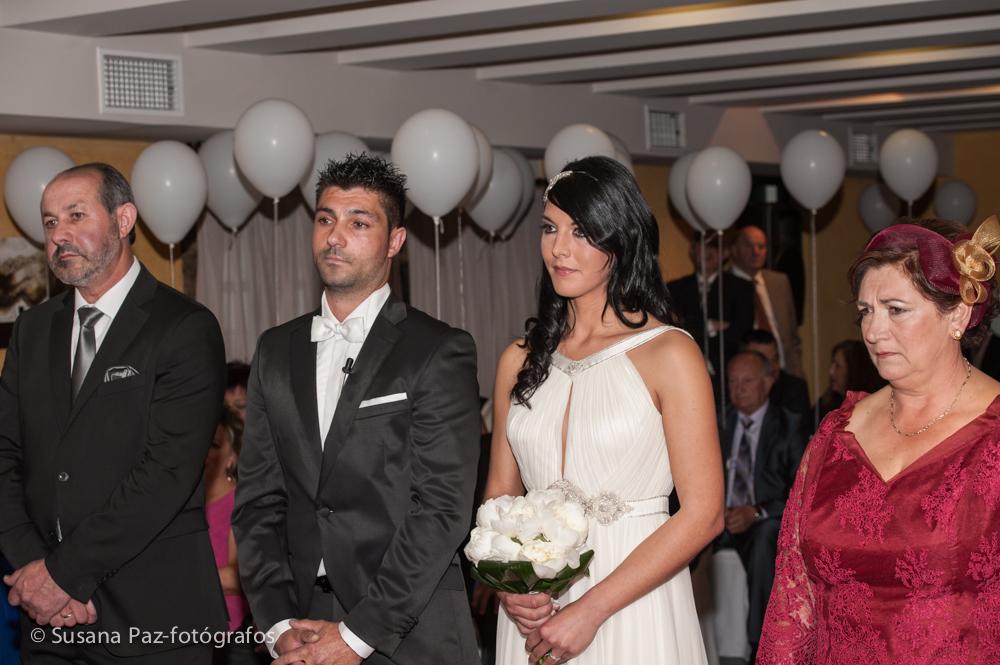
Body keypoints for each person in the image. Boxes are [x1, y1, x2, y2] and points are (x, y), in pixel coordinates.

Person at [232, 153, 481, 665]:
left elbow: (441, 509)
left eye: (358, 222)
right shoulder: (276, 350)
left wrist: (358, 634)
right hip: (298, 624)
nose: (334, 237)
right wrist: (277, 623)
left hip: (410, 627)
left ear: (394, 241)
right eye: (325, 219)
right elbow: (257, 502)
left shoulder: (437, 349)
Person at [487, 156, 724, 665]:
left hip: (634, 600)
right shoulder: (517, 361)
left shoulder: (670, 354)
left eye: (583, 232)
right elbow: (498, 501)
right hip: (536, 608)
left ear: (621, 240)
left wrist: (590, 609)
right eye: (550, 228)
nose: (560, 248)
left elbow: (704, 514)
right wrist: (509, 585)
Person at [0, 163, 227, 663]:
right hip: (49, 624)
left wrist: (62, 576)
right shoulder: (33, 330)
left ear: (124, 220)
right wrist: (35, 571)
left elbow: (165, 474)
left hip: (153, 617)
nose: (60, 235)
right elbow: (5, 456)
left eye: (76, 215)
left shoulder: (184, 327)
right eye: (50, 222)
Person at [758, 217, 1000, 663]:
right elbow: (793, 601)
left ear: (958, 315)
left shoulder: (993, 438)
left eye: (896, 309)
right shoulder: (836, 433)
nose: (873, 332)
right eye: (866, 311)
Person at [717, 351, 807, 663]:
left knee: (766, 537)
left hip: (762, 520)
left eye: (747, 381)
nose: (738, 389)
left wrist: (754, 511)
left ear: (767, 383)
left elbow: (801, 491)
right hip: (716, 520)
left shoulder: (789, 425)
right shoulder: (718, 422)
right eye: (732, 382)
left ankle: (760, 646)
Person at [204, 407, 258, 665]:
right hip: (189, 628)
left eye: (213, 445)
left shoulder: (239, 503)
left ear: (232, 458)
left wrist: (178, 575)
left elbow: (242, 575)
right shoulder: (184, 505)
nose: (203, 453)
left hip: (231, 635)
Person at [667, 232, 754, 387]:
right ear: (692, 249)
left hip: (727, 376)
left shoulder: (741, 288)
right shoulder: (674, 289)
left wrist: (691, 325)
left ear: (725, 252)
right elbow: (672, 330)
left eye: (714, 246)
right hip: (683, 372)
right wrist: (711, 326)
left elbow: (740, 333)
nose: (708, 251)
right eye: (703, 245)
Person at [729, 225, 803, 377]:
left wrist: (797, 374)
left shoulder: (779, 282)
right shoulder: (723, 285)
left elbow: (792, 337)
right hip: (746, 379)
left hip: (783, 374)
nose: (756, 252)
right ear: (734, 249)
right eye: (749, 245)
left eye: (761, 246)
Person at [741, 330, 810, 417]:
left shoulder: (794, 389)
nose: (773, 367)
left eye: (775, 359)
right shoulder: (733, 389)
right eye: (764, 361)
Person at [814, 339, 884, 423]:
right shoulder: (827, 403)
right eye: (832, 364)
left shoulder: (869, 409)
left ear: (853, 370)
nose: (831, 372)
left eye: (838, 366)